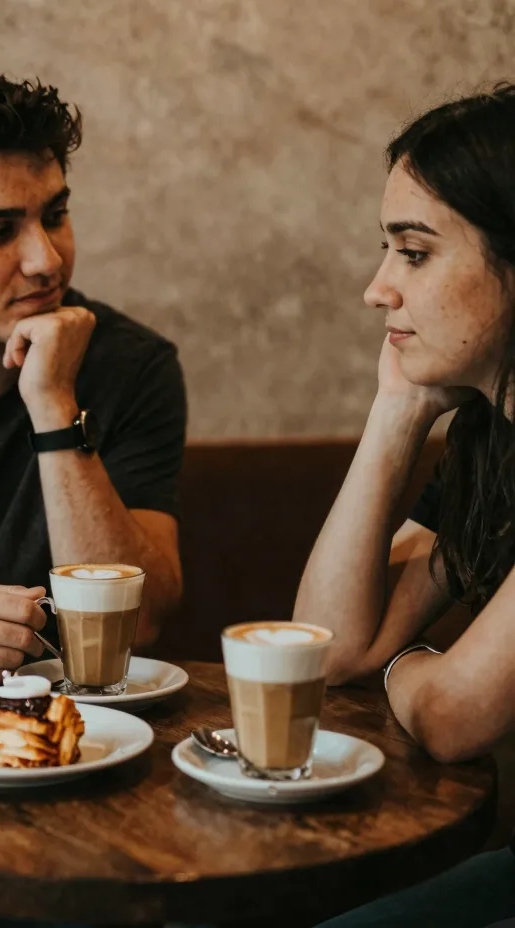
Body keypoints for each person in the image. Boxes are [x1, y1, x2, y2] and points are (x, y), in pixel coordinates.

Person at [0, 63, 186, 690]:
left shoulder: (132, 365)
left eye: (55, 215)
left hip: (73, 721)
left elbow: (143, 621)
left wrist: (53, 405)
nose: (47, 260)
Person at [294, 85, 515, 927]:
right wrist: (396, 412)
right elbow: (328, 647)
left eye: (414, 253)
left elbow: (456, 716)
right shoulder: (491, 443)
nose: (376, 289)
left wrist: (403, 670)